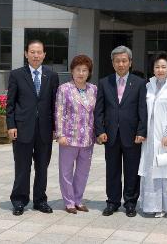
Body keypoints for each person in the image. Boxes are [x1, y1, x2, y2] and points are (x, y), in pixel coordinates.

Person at [6, 39, 59, 216]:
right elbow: (10, 104)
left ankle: (40, 200)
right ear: (26, 54)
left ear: (44, 55)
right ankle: (19, 200)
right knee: (22, 167)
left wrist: (55, 128)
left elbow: (54, 105)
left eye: (39, 52)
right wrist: (11, 125)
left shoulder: (51, 76)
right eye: (32, 52)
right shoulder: (16, 75)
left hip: (44, 130)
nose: (36, 55)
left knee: (42, 167)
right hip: (22, 129)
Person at [94, 45, 148, 217]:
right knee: (112, 170)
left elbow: (143, 110)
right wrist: (99, 130)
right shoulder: (104, 82)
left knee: (132, 170)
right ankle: (112, 202)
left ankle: (130, 203)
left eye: (124, 61)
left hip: (132, 136)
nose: (121, 64)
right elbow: (99, 110)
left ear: (130, 62)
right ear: (112, 63)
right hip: (110, 135)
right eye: (117, 61)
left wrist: (141, 131)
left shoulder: (139, 83)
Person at [138, 52, 167, 218]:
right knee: (150, 169)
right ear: (153, 69)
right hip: (149, 135)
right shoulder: (148, 86)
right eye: (157, 67)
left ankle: (164, 206)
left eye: (163, 67)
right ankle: (150, 205)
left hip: (165, 136)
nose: (160, 70)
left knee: (164, 169)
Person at [55, 55, 97, 214]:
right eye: (78, 69)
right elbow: (59, 112)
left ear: (89, 72)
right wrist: (60, 134)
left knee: (82, 172)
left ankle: (78, 199)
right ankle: (69, 202)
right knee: (66, 171)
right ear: (72, 71)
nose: (81, 73)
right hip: (68, 138)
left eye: (84, 70)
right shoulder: (64, 89)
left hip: (87, 139)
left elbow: (96, 113)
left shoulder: (93, 89)